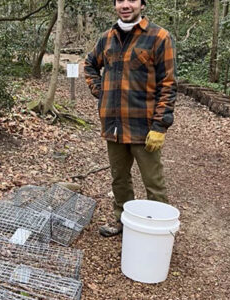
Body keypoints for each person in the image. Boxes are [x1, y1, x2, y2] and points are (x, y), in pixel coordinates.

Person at [84, 0, 177, 237]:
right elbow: (89, 65)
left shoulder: (159, 37)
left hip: (144, 126)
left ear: (142, 5)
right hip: (113, 125)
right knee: (120, 179)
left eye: (132, 0)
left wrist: (160, 125)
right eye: (120, 1)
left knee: (153, 183)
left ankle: (159, 229)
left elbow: (168, 84)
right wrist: (100, 90)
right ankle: (123, 220)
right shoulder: (106, 38)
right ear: (115, 5)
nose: (126, 5)